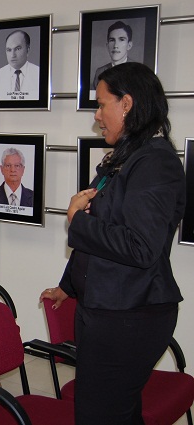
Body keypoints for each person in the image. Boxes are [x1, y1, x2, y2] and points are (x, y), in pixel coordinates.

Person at [40, 62, 185, 425]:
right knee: (115, 411)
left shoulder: (154, 163)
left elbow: (140, 246)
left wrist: (77, 220)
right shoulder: (126, 157)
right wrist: (68, 285)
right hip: (109, 308)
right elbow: (102, 233)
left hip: (130, 316)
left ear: (127, 104)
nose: (97, 114)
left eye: (103, 104)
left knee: (99, 414)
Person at [0, 30, 40, 100]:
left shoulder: (39, 74)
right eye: (9, 50)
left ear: (28, 50)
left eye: (18, 49)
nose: (13, 55)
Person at [91, 21, 134, 90]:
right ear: (107, 46)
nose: (115, 46)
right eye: (112, 40)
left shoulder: (137, 71)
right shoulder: (100, 72)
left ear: (129, 45)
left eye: (121, 40)